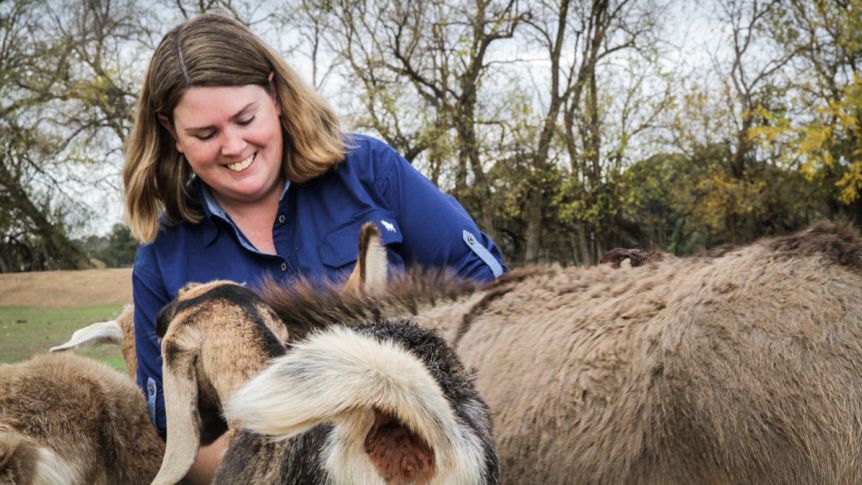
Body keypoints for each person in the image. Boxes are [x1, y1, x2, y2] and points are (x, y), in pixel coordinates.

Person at [122, 13, 506, 483]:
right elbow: (179, 436)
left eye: (246, 118)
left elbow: (492, 295)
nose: (234, 146)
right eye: (206, 134)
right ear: (171, 133)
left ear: (275, 95)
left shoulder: (370, 171)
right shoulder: (161, 257)